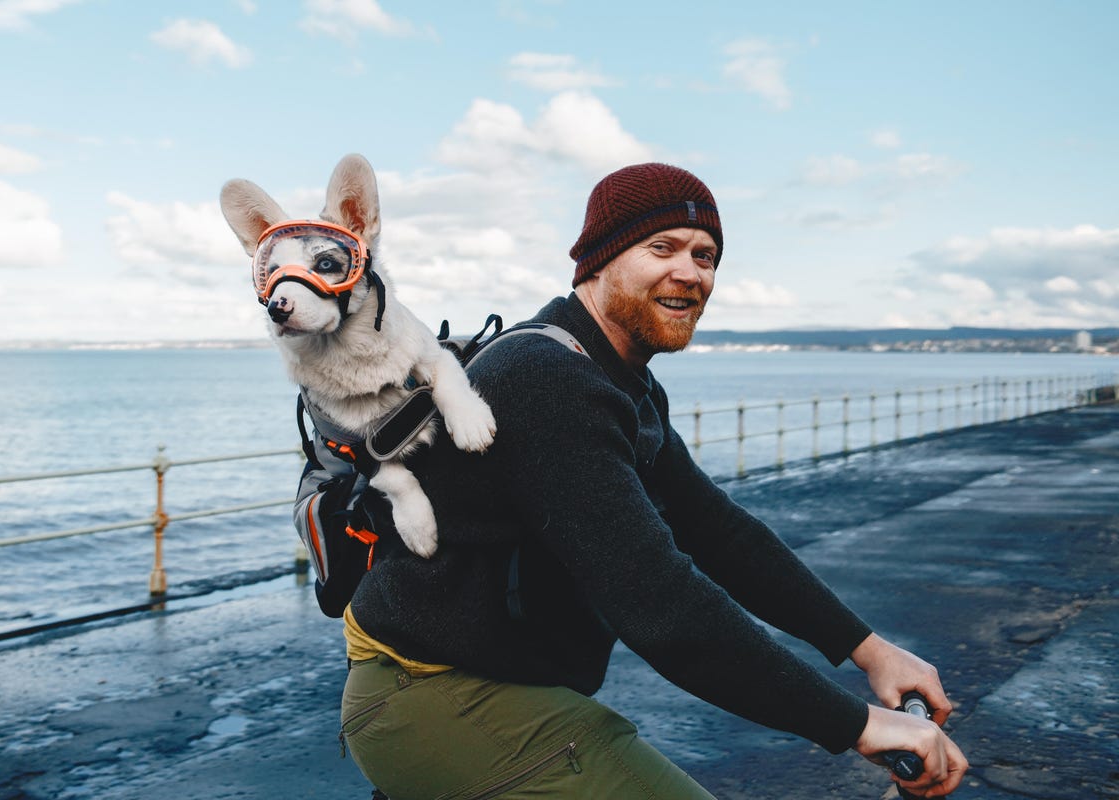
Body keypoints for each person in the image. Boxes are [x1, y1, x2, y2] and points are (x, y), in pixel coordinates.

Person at [326, 163, 968, 799]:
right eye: (661, 247)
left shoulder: (618, 380)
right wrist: (855, 724)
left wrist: (867, 647)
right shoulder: (545, 378)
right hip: (430, 692)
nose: (691, 272)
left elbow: (717, 532)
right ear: (598, 262)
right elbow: (657, 601)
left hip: (495, 681)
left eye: (707, 256)